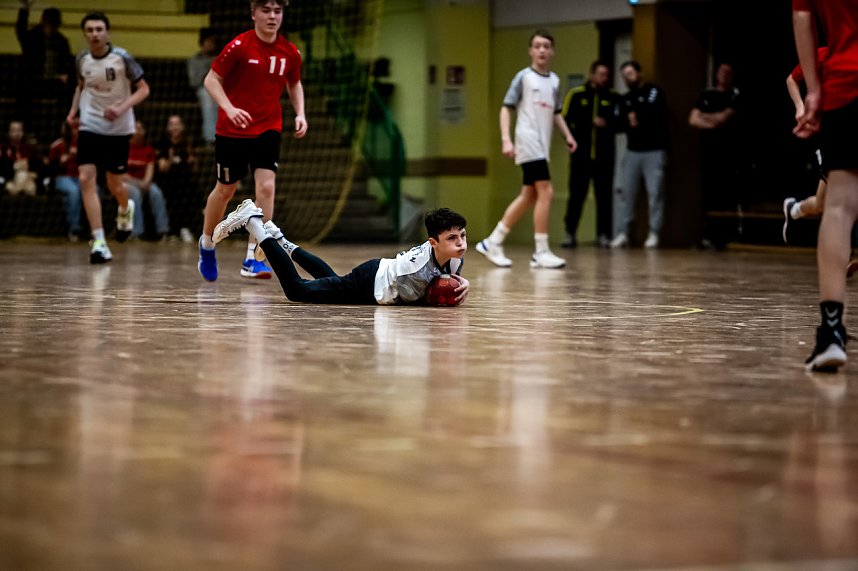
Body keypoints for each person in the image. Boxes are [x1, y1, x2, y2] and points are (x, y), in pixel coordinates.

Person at [197, 0, 307, 282]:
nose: (272, 16)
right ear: (254, 14)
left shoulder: (289, 51)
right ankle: (207, 243)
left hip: (268, 126)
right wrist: (230, 109)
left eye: (277, 11)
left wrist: (301, 113)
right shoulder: (239, 46)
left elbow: (294, 83)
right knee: (225, 189)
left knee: (267, 188)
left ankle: (253, 256)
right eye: (266, 11)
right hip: (232, 129)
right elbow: (211, 79)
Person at [213, 200, 470, 306]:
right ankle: (255, 224)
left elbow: (447, 274)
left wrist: (462, 281)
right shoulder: (419, 273)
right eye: (452, 238)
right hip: (369, 283)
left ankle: (278, 237)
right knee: (297, 290)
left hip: (376, 272)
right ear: (433, 242)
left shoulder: (452, 255)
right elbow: (423, 298)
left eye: (462, 236)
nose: (460, 243)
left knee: (331, 279)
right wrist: (452, 288)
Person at [475, 29, 577, 269]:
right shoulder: (524, 77)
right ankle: (541, 251)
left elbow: (556, 113)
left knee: (529, 195)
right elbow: (505, 107)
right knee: (547, 191)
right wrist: (506, 139)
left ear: (552, 51)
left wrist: (568, 136)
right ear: (531, 50)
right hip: (527, 140)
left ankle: (493, 241)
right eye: (537, 45)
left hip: (543, 145)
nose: (542, 50)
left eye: (546, 46)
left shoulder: (554, 81)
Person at [793, 0, 858, 371]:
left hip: (846, 86)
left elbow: (802, 17)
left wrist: (814, 92)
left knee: (839, 208)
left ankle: (832, 333)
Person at [66, 11, 149, 264]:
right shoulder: (82, 59)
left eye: (99, 29)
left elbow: (144, 89)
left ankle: (125, 209)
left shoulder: (122, 58)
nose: (94, 34)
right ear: (84, 34)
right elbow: (81, 87)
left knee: (115, 185)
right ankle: (99, 241)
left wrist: (121, 108)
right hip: (90, 124)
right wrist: (72, 113)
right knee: (85, 178)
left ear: (107, 32)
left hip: (118, 129)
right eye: (90, 30)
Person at [561, 60, 619, 249]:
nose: (604, 78)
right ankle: (570, 234)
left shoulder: (612, 97)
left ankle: (603, 235)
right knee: (577, 196)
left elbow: (620, 122)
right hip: (581, 157)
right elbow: (564, 121)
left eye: (606, 75)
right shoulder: (577, 95)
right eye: (601, 74)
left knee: (604, 198)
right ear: (592, 74)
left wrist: (607, 123)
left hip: (603, 158)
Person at [611, 61, 669, 249]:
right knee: (626, 193)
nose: (628, 77)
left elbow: (656, 115)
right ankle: (623, 232)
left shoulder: (654, 92)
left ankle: (654, 232)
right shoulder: (625, 98)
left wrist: (637, 117)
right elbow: (618, 124)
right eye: (624, 75)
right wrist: (630, 122)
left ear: (639, 73)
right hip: (633, 151)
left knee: (655, 193)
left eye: (630, 73)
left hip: (654, 150)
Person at [688, 63, 742, 249]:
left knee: (726, 195)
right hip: (708, 154)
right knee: (708, 194)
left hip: (728, 154)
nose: (724, 75)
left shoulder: (734, 94)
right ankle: (707, 235)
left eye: (728, 72)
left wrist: (707, 117)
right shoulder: (706, 94)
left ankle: (726, 236)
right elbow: (693, 119)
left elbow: (723, 118)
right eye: (721, 71)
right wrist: (711, 121)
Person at [15, 0, 74, 138]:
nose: (51, 28)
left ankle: (61, 129)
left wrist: (65, 74)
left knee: (69, 92)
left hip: (53, 81)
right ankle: (28, 131)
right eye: (49, 24)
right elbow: (20, 29)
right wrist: (25, 9)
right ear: (43, 22)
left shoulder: (61, 40)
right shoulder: (32, 36)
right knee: (25, 94)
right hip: (32, 80)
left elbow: (68, 62)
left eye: (54, 25)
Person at [156, 115, 197, 242]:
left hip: (185, 181)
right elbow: (162, 169)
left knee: (190, 191)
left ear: (182, 126)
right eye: (172, 124)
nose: (175, 127)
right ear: (168, 128)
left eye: (177, 124)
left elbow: (194, 169)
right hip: (167, 181)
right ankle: (172, 231)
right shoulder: (163, 143)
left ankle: (186, 228)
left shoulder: (188, 143)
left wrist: (192, 160)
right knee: (174, 194)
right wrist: (169, 158)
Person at [126, 120, 169, 240]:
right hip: (126, 183)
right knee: (134, 193)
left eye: (140, 128)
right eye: (135, 127)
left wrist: (146, 183)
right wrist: (139, 184)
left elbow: (150, 170)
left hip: (143, 182)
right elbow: (122, 175)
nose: (138, 131)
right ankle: (137, 232)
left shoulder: (148, 149)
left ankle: (163, 231)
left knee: (156, 193)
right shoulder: (124, 147)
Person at [48, 121, 83, 240]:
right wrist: (64, 160)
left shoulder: (85, 144)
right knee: (73, 192)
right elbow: (51, 170)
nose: (75, 130)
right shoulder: (57, 145)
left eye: (78, 127)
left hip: (81, 178)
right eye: (73, 128)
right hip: (63, 178)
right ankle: (74, 229)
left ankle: (96, 230)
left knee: (95, 192)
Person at [187, 27, 219, 145]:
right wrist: (209, 66)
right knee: (208, 98)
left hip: (221, 89)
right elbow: (194, 82)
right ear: (202, 43)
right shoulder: (194, 60)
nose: (211, 44)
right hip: (203, 90)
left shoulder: (221, 57)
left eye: (213, 41)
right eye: (208, 41)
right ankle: (211, 139)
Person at [0, 120, 42, 197]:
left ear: (23, 132)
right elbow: (3, 170)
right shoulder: (3, 149)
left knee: (30, 187)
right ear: (8, 133)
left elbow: (37, 167)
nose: (17, 133)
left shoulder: (30, 149)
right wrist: (15, 167)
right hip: (11, 181)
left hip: (29, 180)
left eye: (19, 130)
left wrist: (31, 172)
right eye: (14, 130)